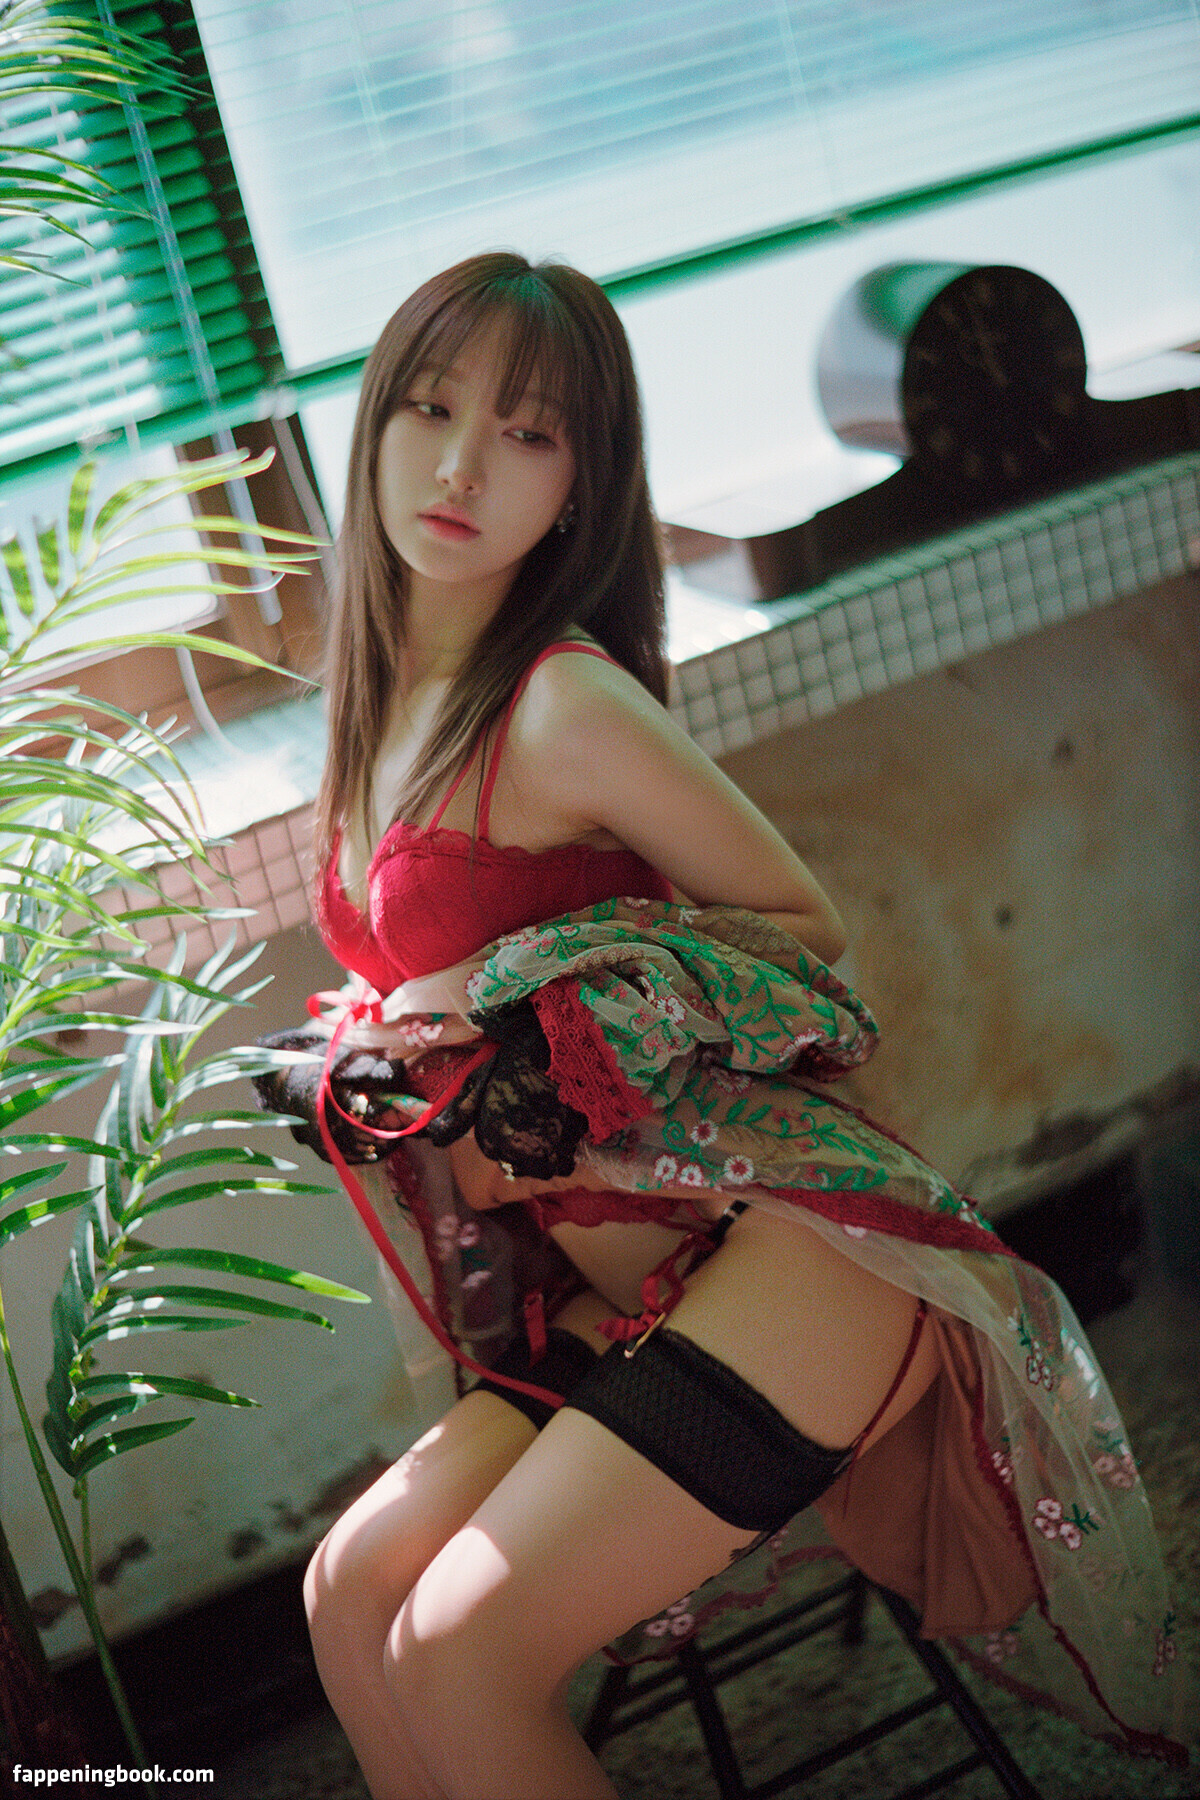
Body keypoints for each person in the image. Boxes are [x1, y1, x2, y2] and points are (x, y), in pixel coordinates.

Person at [292, 253, 1188, 1800]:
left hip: (785, 1253)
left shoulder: (560, 705)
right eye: (431, 411)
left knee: (458, 1653)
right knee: (350, 1596)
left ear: (579, 484)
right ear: (371, 425)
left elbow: (805, 937)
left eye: (525, 433)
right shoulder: (378, 710)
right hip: (623, 1282)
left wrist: (501, 985)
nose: (459, 468)